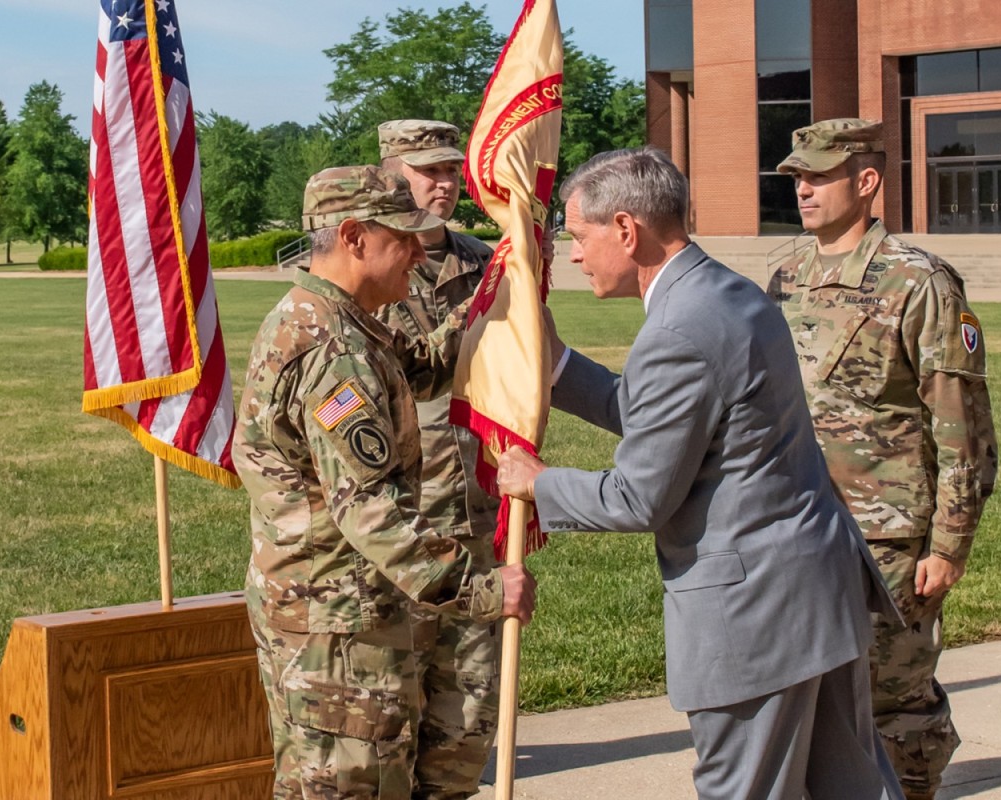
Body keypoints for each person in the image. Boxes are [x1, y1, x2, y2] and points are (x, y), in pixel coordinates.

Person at [496, 146, 904, 800]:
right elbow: (672, 417)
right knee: (847, 788)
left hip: (755, 618)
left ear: (626, 231)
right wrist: (557, 364)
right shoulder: (729, 291)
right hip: (814, 595)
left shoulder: (678, 327)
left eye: (579, 236)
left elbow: (638, 498)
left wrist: (536, 482)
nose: (574, 255)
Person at [233, 165, 536, 800]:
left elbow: (421, 369)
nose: (422, 251)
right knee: (353, 787)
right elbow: (371, 511)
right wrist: (480, 589)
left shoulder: (331, 318)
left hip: (333, 612)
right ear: (353, 237)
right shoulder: (333, 354)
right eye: (404, 237)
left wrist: (494, 295)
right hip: (340, 627)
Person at [768, 119, 999, 800]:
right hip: (801, 526)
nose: (804, 190)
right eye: (797, 178)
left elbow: (964, 429)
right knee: (809, 699)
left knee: (895, 706)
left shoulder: (919, 282)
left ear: (865, 182)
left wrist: (950, 546)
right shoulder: (785, 278)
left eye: (818, 176)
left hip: (887, 541)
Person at [374, 119, 501, 800]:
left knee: (468, 713)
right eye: (428, 171)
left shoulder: (483, 262)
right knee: (386, 711)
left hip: (475, 510)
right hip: (399, 520)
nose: (444, 184)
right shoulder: (364, 267)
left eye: (451, 171)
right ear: (391, 173)